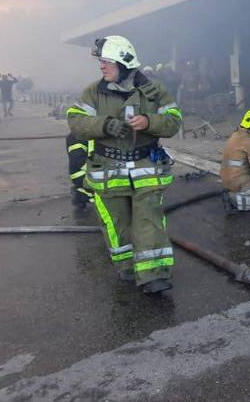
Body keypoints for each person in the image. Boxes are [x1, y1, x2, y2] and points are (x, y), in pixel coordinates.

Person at [67, 36, 182, 295]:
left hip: (146, 168)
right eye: (101, 62)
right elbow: (75, 121)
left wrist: (150, 122)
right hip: (108, 170)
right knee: (116, 224)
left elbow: (174, 121)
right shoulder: (93, 92)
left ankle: (153, 275)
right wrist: (104, 125)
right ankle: (128, 268)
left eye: (106, 62)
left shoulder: (156, 91)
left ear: (124, 62)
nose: (101, 67)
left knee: (148, 221)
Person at [66, 134, 92, 212]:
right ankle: (80, 196)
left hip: (85, 172)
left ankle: (81, 194)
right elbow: (78, 159)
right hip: (81, 174)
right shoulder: (76, 137)